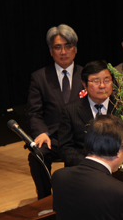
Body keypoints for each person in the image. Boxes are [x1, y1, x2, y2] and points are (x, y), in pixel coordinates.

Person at [26, 24, 83, 199]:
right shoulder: (39, 77)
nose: (63, 51)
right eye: (58, 47)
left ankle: (77, 199)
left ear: (75, 49)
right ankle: (44, 200)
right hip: (53, 139)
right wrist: (42, 133)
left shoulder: (86, 75)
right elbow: (34, 113)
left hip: (79, 138)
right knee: (37, 156)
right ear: (51, 51)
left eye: (68, 46)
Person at [58, 60, 115, 166]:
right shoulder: (70, 110)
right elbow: (65, 148)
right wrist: (90, 164)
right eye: (96, 81)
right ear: (84, 84)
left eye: (107, 80)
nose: (102, 86)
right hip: (83, 168)